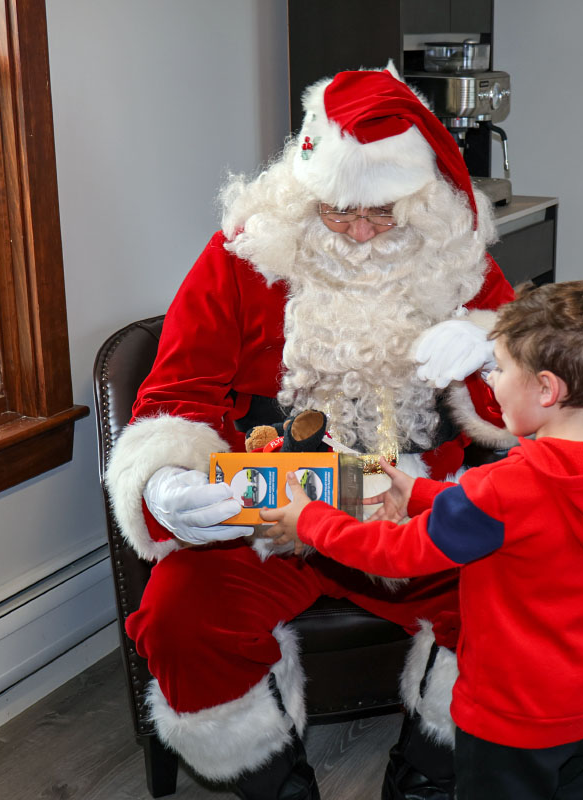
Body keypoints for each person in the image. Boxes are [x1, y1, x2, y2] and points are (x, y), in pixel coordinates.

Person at [104, 63, 517, 800]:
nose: (358, 230)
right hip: (273, 513)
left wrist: (493, 351)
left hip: (412, 514)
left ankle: (427, 772)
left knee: (515, 602)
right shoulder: (244, 255)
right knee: (177, 617)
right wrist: (164, 481)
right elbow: (178, 389)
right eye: (336, 210)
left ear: (420, 200)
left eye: (382, 213)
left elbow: (529, 408)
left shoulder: (457, 260)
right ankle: (273, 783)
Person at [262, 280, 583, 800]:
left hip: (509, 714)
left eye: (498, 369)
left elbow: (397, 554)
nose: (491, 382)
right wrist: (421, 493)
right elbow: (523, 521)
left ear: (546, 389)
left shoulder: (506, 488)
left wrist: (311, 519)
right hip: (579, 699)